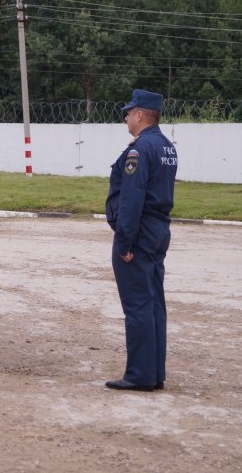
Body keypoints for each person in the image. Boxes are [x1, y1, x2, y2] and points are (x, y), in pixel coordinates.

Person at [104, 89, 177, 392]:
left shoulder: (140, 149)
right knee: (153, 304)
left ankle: (139, 375)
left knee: (137, 306)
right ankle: (154, 372)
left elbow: (132, 199)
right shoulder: (164, 145)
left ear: (139, 114)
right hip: (158, 229)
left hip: (140, 232)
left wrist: (124, 243)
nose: (125, 118)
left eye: (128, 112)